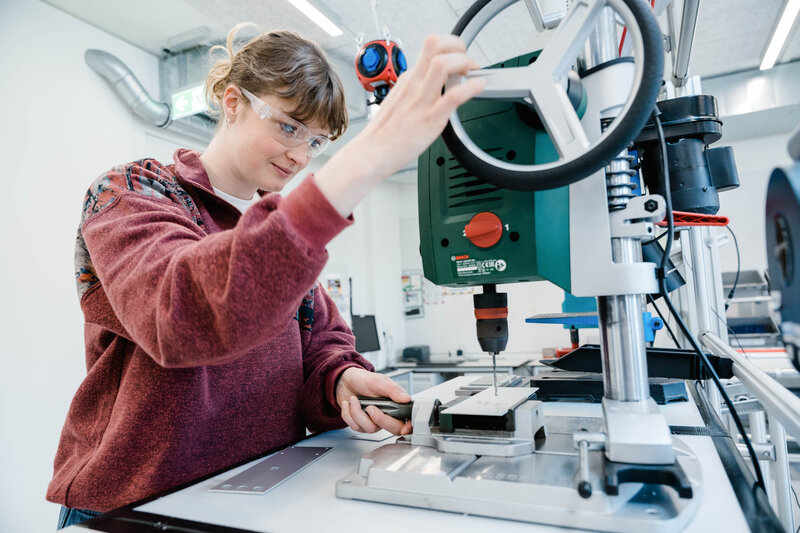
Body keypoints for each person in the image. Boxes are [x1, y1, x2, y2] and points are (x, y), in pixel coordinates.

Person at [47, 23, 484, 529]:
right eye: (290, 127)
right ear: (233, 102)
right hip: (134, 509)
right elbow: (180, 314)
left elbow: (322, 341)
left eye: (317, 142)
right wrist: (365, 161)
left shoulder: (276, 228)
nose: (301, 156)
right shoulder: (133, 192)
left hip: (260, 495)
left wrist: (340, 379)